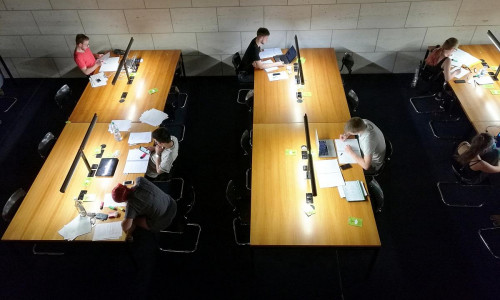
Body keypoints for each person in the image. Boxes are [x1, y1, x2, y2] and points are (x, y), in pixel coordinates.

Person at [112, 177, 177, 240]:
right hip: (172, 203)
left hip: (163, 220)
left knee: (134, 219)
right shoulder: (140, 180)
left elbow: (125, 227)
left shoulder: (131, 205)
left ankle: (130, 237)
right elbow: (135, 185)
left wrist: (124, 220)